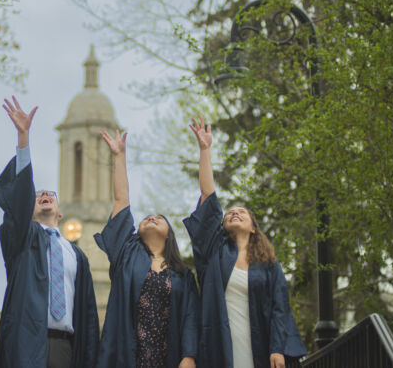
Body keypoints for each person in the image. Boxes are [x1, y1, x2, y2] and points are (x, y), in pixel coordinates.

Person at [183, 117, 307, 368]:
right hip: (220, 347)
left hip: (261, 349)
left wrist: (277, 348)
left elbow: (279, 308)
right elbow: (208, 197)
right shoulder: (214, 253)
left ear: (253, 228)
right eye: (229, 213)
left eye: (242, 212)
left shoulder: (269, 264)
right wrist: (205, 150)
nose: (234, 213)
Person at [0, 96, 99, 368]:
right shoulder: (23, 239)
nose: (45, 195)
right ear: (27, 207)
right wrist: (23, 138)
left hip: (64, 345)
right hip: (26, 342)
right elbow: (18, 198)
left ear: (60, 212)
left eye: (51, 194)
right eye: (38, 195)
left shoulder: (76, 255)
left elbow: (86, 311)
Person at [94, 130, 199, 368]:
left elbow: (191, 317)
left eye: (159, 218)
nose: (151, 218)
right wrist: (119, 155)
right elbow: (121, 201)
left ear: (169, 233)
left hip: (169, 358)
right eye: (147, 218)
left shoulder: (183, 276)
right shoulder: (126, 254)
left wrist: (189, 355)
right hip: (127, 356)